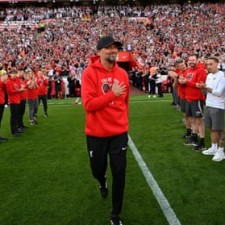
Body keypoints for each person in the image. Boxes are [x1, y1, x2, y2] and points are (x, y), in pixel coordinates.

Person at [81, 36, 130, 225]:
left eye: (115, 48)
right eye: (108, 48)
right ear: (99, 52)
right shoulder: (89, 73)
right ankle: (102, 181)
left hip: (119, 133)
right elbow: (88, 105)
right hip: (96, 134)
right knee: (97, 169)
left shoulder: (122, 74)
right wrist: (111, 94)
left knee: (120, 172)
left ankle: (115, 215)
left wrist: (125, 124)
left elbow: (125, 103)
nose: (113, 51)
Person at [197, 57, 225, 161]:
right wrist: (202, 88)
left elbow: (218, 92)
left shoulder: (222, 76)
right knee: (211, 128)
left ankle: (221, 151)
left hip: (218, 105)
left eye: (211, 64)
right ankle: (214, 147)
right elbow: (207, 91)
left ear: (217, 64)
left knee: (219, 129)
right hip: (209, 104)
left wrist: (205, 87)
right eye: (207, 64)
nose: (208, 66)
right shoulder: (208, 75)